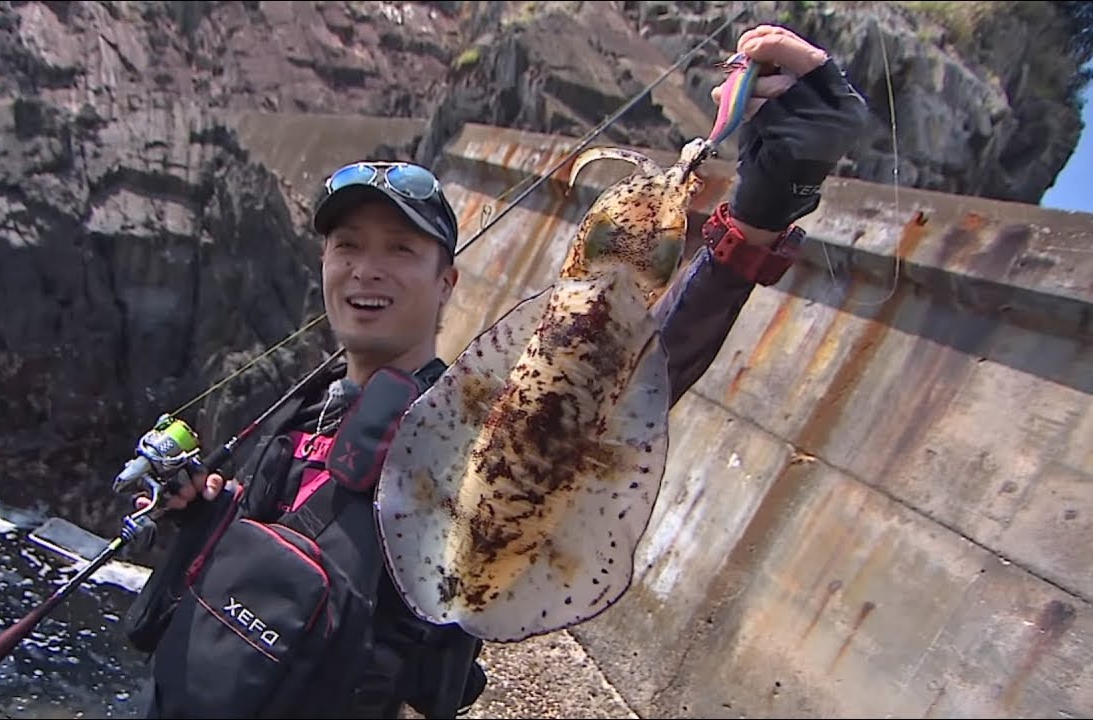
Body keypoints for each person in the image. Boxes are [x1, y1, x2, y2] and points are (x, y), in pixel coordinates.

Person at [123, 24, 869, 720]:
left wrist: (763, 209)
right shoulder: (304, 407)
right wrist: (199, 514)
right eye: (347, 246)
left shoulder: (471, 442)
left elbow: (613, 373)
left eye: (400, 250)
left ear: (447, 282)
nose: (366, 269)